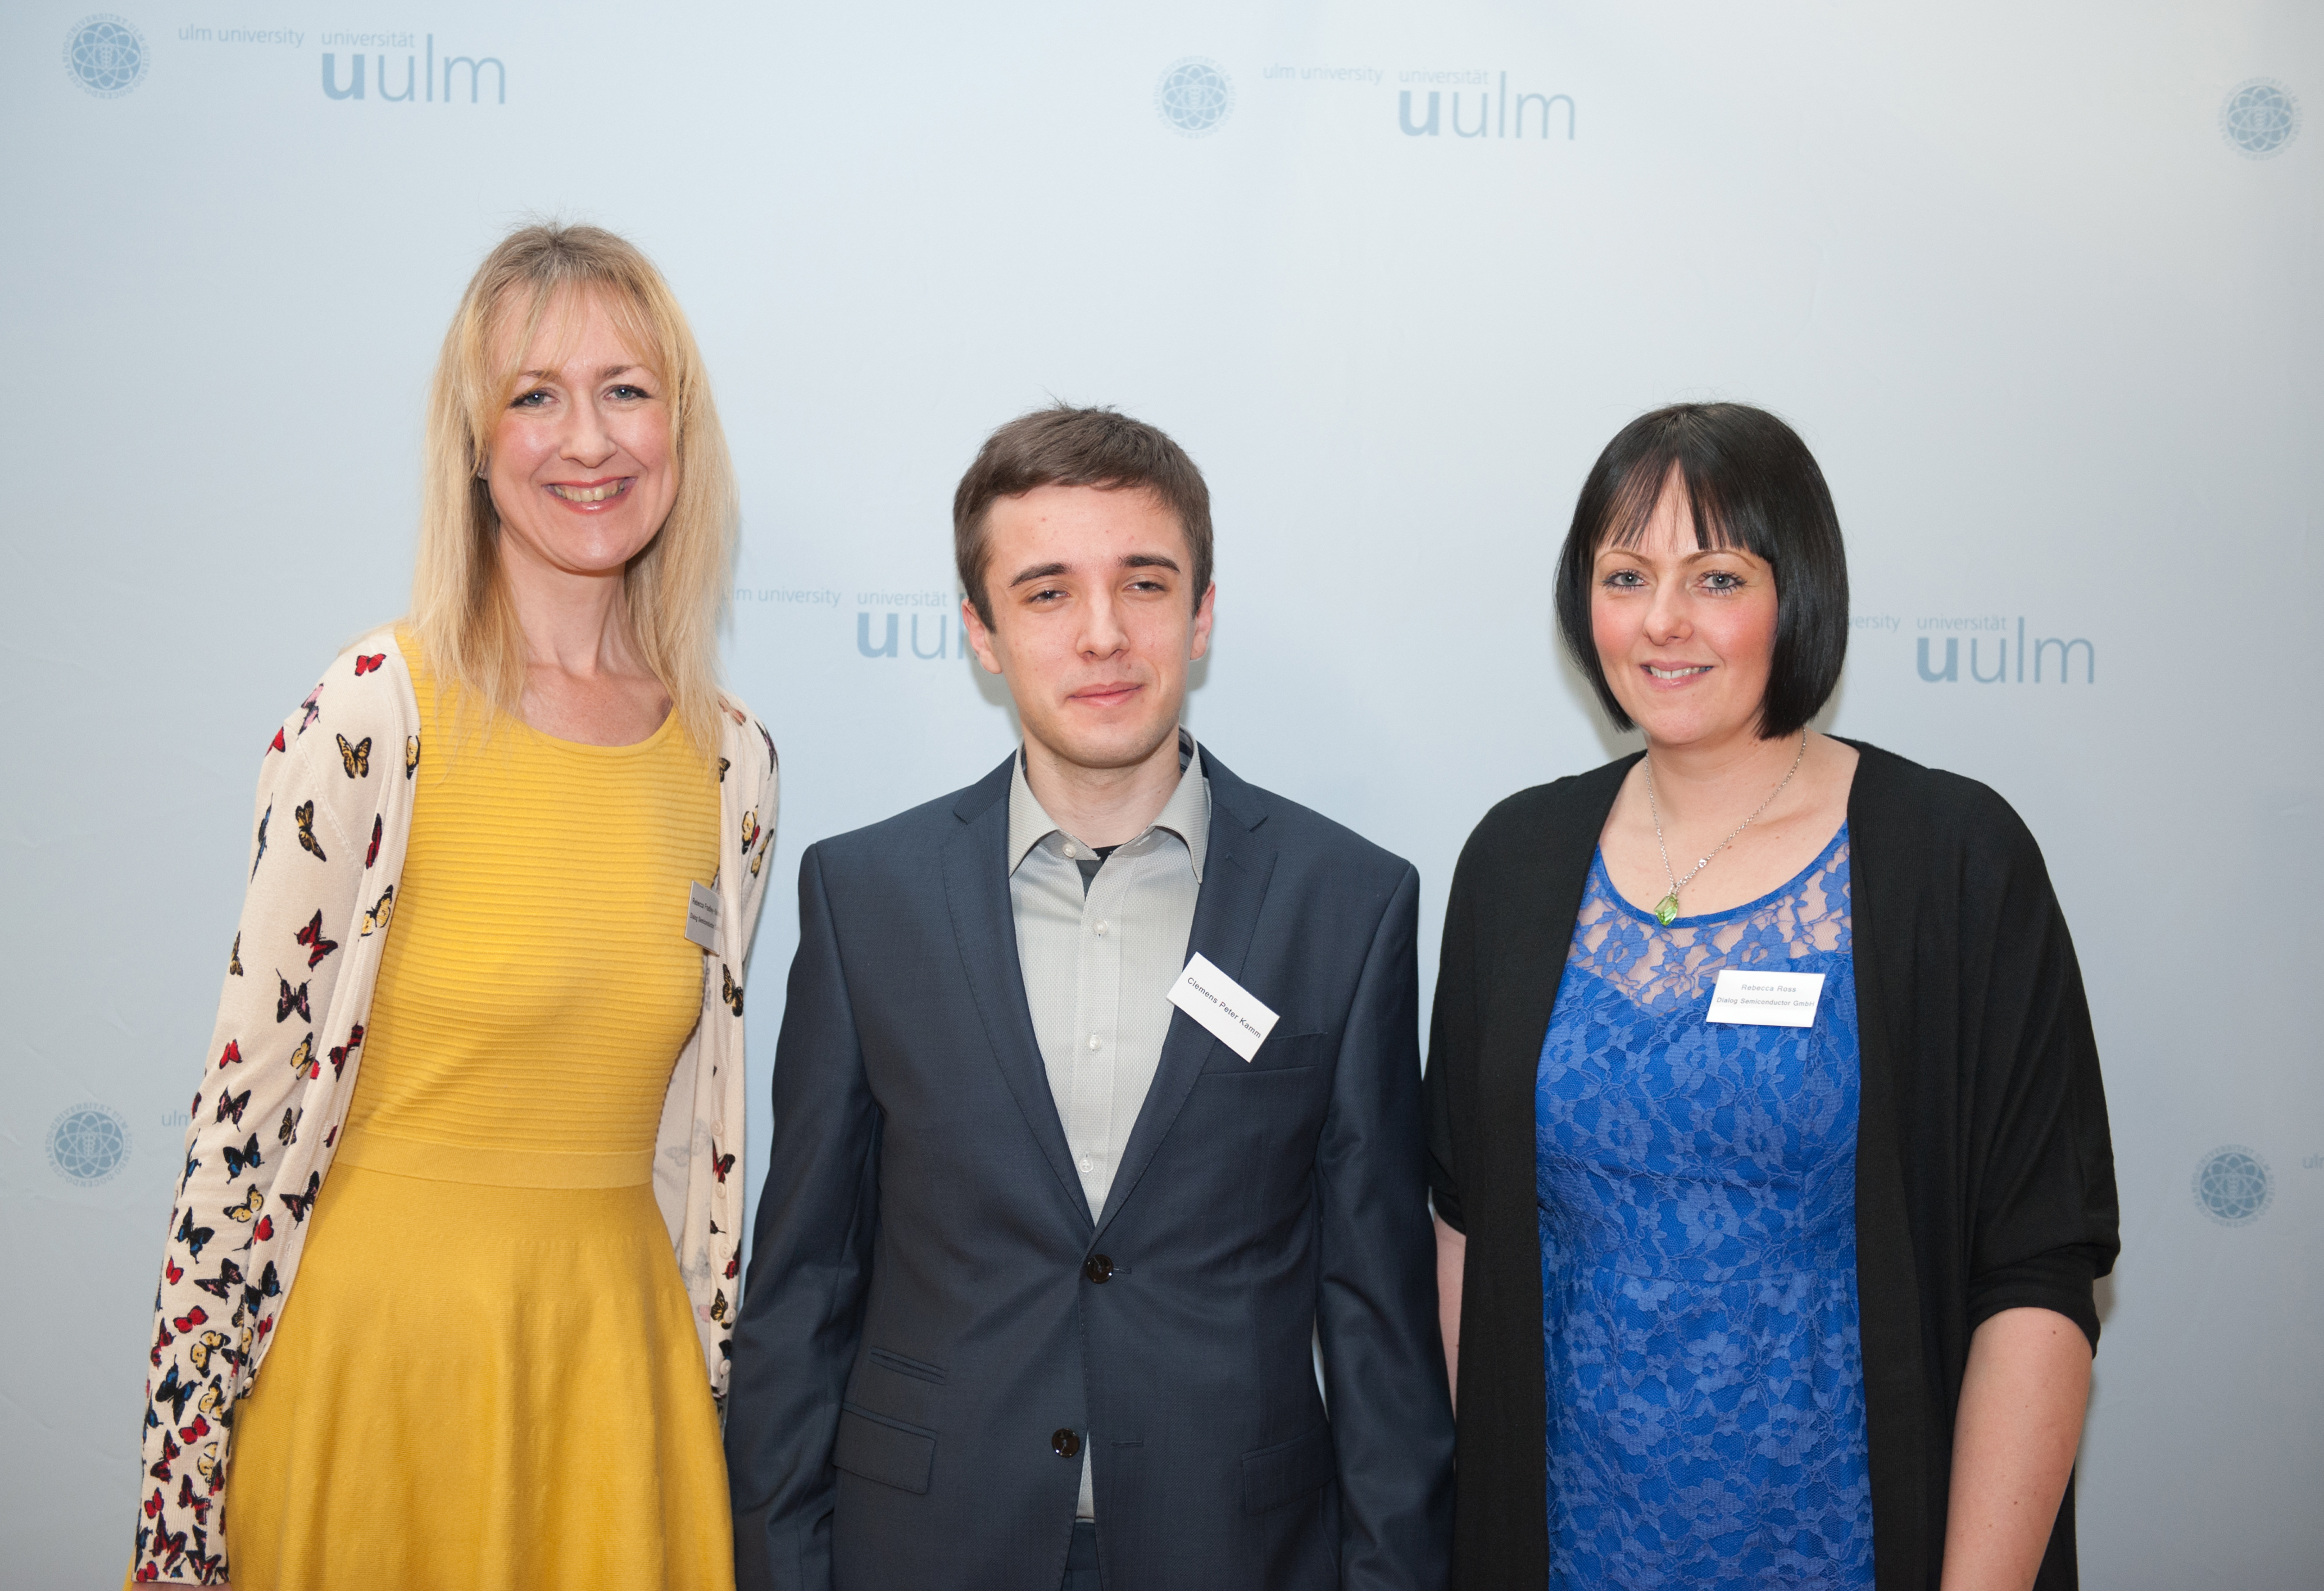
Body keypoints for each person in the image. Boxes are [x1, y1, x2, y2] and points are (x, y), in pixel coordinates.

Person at [125, 224, 777, 1588]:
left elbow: (693, 1145)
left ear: (681, 427)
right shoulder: (377, 710)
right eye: (533, 396)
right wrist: (178, 1516)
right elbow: (235, 1135)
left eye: (627, 389)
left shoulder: (733, 765)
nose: (586, 439)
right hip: (381, 1379)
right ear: (475, 447)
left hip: (617, 1387)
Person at [724, 405, 1454, 1591]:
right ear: (982, 631)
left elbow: (1376, 1316)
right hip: (924, 1545)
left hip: (1238, 1546)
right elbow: (806, 1281)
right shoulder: (866, 899)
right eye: (1049, 592)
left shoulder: (1347, 903)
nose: (1104, 635)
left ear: (1203, 612)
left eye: (1146, 584)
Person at [1422, 402, 2119, 1591]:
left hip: (1853, 1546)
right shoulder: (1514, 859)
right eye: (1625, 574)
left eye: (1717, 576)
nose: (1662, 622)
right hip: (1570, 1548)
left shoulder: (1951, 859)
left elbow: (2037, 1272)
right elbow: (1462, 1222)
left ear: (1798, 594)